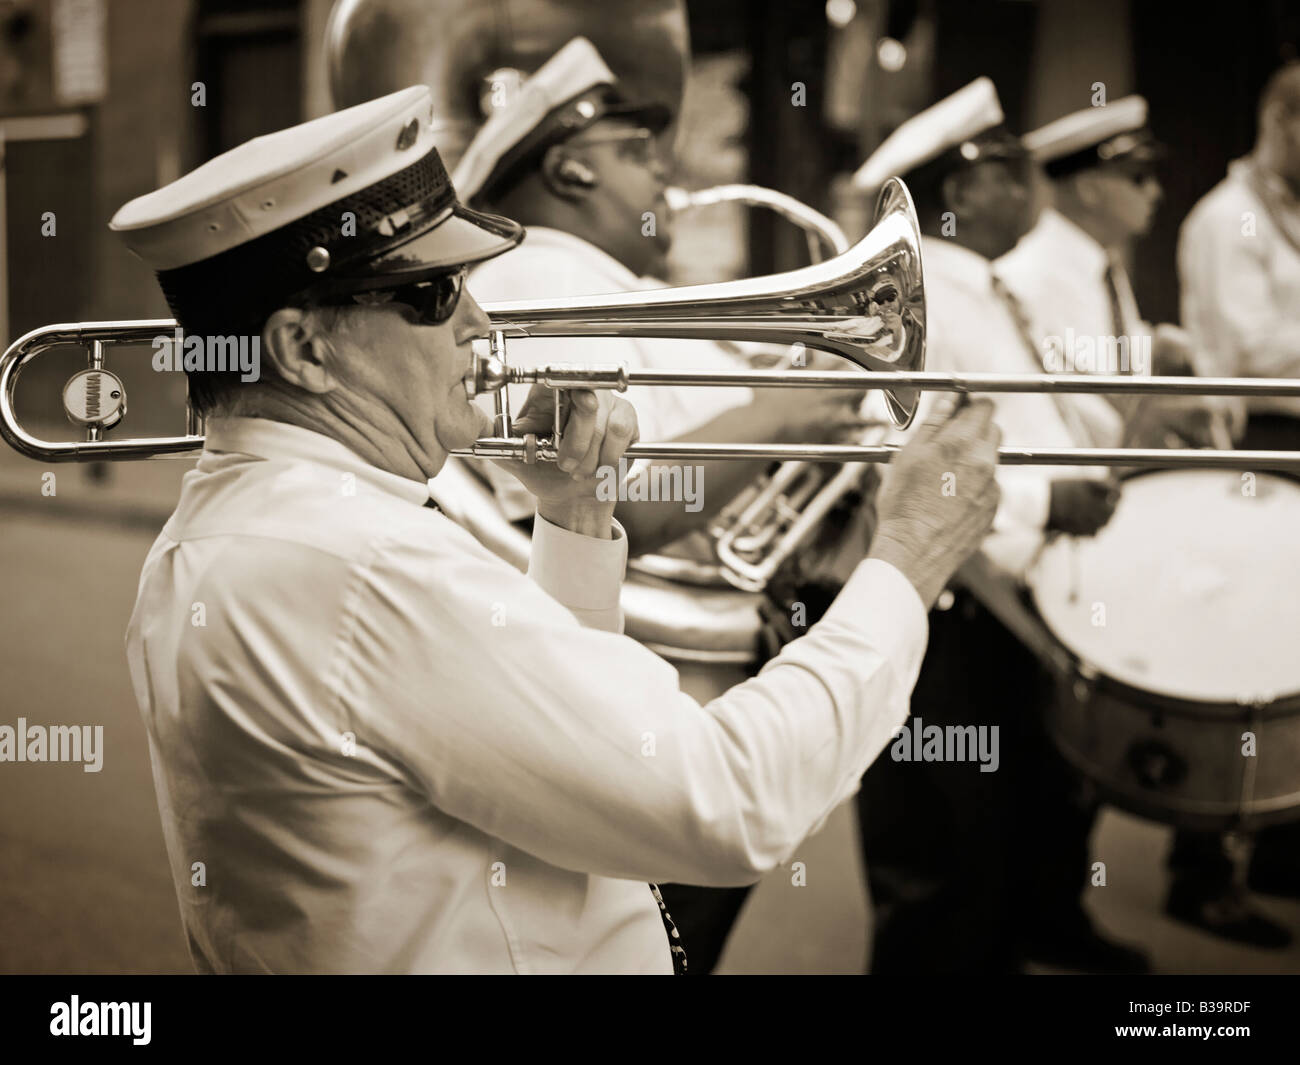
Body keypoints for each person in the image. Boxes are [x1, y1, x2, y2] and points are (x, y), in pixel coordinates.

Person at [114, 85, 1002, 974]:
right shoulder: (367, 565)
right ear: (304, 349)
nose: (480, 321)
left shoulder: (212, 537)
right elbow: (729, 800)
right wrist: (907, 562)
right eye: (431, 293)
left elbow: (539, 748)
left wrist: (576, 519)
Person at [848, 78, 1147, 973]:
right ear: (962, 191)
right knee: (945, 850)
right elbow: (882, 446)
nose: (1034, 188)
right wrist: (1045, 502)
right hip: (953, 603)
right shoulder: (924, 295)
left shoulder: (984, 288)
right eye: (1012, 171)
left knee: (1005, 828)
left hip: (1005, 597)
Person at [453, 37, 869, 552]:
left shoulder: (607, 284)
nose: (662, 172)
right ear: (571, 171)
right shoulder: (539, 279)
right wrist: (781, 416)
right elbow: (610, 503)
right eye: (636, 152)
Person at [1172, 60, 1300, 945]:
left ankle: (1283, 844)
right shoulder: (1232, 217)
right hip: (1256, 444)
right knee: (1234, 660)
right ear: (1285, 119)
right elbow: (1251, 352)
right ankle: (1203, 870)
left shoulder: (1285, 213)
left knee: (1290, 665)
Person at [999, 95, 1229, 449]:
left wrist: (1156, 345)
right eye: (1138, 177)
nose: (1155, 192)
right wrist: (1159, 416)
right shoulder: (1029, 277)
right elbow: (1069, 406)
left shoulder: (1100, 266)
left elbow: (1104, 364)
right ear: (1089, 189)